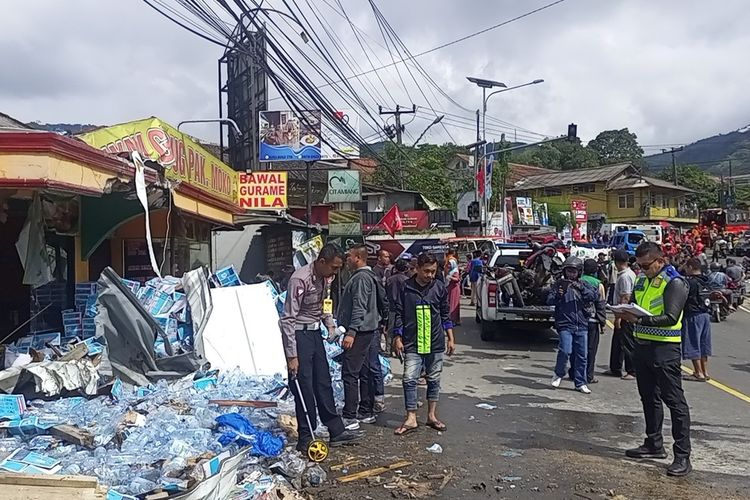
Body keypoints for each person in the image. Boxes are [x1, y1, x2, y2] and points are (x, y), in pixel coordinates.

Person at [615, 242, 691, 477]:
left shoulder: (674, 282)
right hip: (643, 347)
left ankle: (682, 455)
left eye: (647, 265)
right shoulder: (641, 279)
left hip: (665, 349)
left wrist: (637, 320)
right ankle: (654, 443)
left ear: (660, 260)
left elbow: (670, 317)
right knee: (648, 397)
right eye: (640, 265)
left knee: (674, 401)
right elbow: (639, 305)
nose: (643, 269)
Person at [279, 244, 362, 452]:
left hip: (315, 333)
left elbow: (325, 304)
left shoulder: (326, 278)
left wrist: (330, 325)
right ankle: (306, 436)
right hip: (299, 335)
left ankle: (336, 430)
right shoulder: (300, 279)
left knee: (323, 382)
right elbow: (287, 319)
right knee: (304, 384)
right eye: (333, 267)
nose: (335, 272)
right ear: (322, 262)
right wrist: (292, 355)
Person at [393, 252, 456, 435]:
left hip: (435, 342)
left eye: (433, 271)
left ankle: (431, 415)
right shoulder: (406, 288)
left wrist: (450, 338)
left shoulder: (439, 287)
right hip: (412, 343)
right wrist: (397, 338)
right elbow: (399, 314)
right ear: (417, 269)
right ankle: (411, 417)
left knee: (434, 380)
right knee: (409, 379)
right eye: (426, 271)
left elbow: (445, 314)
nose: (429, 275)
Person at [338, 245, 387, 429]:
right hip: (367, 330)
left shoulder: (361, 279)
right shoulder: (368, 277)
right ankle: (365, 410)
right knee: (364, 371)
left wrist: (351, 332)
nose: (346, 259)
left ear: (358, 257)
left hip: (359, 332)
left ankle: (350, 415)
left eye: (349, 256)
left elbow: (359, 306)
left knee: (350, 373)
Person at [548, 256, 599, 394]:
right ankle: (559, 373)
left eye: (574, 271)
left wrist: (581, 288)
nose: (571, 274)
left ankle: (580, 382)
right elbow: (549, 300)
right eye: (568, 271)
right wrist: (559, 295)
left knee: (582, 355)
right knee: (565, 350)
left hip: (582, 324)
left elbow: (594, 296)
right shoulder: (558, 284)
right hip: (565, 324)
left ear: (579, 272)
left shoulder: (584, 284)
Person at [572, 258, 607, 385]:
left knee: (577, 348)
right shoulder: (599, 284)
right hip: (592, 321)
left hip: (577, 319)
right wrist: (602, 323)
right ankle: (588, 375)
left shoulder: (577, 281)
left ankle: (573, 372)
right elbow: (601, 305)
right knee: (591, 350)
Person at [681, 258, 713, 382]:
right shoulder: (706, 281)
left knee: (693, 342)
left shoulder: (690, 283)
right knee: (704, 344)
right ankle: (705, 372)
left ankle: (698, 373)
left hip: (693, 315)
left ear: (690, 267)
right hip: (705, 315)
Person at [608, 249, 637, 380]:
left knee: (626, 343)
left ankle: (631, 370)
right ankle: (616, 368)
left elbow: (626, 297)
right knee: (618, 343)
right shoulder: (627, 274)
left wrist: (618, 318)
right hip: (623, 313)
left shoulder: (625, 276)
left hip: (625, 314)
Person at [386, 259, 410, 352]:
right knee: (402, 328)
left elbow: (386, 293)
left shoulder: (390, 279)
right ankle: (401, 348)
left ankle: (389, 349)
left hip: (391, 307)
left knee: (390, 329)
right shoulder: (407, 280)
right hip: (403, 307)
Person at [444, 249, 461, 326]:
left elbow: (457, 279)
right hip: (451, 288)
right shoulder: (451, 270)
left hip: (454, 288)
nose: (449, 265)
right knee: (450, 303)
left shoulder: (455, 271)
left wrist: (450, 277)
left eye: (450, 264)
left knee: (453, 304)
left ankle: (453, 320)